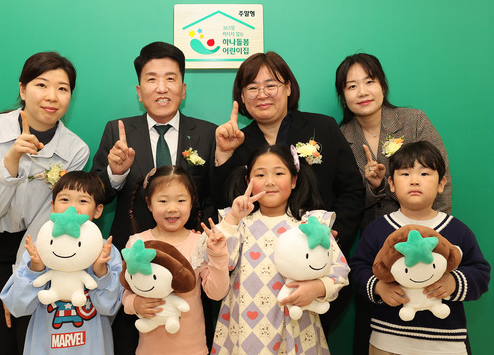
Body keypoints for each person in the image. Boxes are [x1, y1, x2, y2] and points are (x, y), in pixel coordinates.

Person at [91, 42, 218, 353]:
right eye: (151, 79)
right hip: (134, 268)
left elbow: (213, 196)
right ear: (139, 90)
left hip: (189, 269)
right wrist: (116, 172)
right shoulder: (116, 131)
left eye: (171, 78)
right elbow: (98, 196)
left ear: (183, 88)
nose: (162, 88)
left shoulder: (207, 133)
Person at [0, 52, 89, 355]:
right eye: (41, 85)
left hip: (43, 252)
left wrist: (23, 278)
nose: (52, 96)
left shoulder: (76, 150)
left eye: (63, 88)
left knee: (35, 342)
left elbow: (49, 219)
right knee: (2, 341)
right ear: (22, 90)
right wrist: (11, 160)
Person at [214, 51, 364, 253]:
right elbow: (222, 203)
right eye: (252, 88)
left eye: (270, 85)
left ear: (288, 88)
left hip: (318, 251)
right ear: (241, 96)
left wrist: (332, 235)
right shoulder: (236, 141)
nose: (262, 94)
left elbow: (352, 191)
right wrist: (224, 154)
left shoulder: (323, 127)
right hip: (255, 254)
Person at [350, 141, 490, 355]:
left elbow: (481, 272)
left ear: (441, 183)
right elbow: (359, 269)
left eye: (424, 174)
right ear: (392, 183)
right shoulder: (378, 229)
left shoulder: (457, 230)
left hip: (446, 344)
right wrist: (379, 287)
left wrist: (454, 282)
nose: (414, 181)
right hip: (388, 341)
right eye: (405, 174)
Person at [212, 144, 350, 354]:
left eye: (279, 173)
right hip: (243, 327)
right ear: (248, 181)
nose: (270, 181)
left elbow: (339, 272)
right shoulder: (237, 222)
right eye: (260, 174)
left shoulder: (311, 224)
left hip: (297, 325)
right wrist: (232, 219)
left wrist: (317, 288)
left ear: (294, 180)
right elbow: (222, 263)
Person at [1, 171, 123, 355]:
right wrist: (35, 269)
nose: (72, 208)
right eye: (64, 199)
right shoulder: (38, 250)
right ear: (52, 207)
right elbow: (18, 306)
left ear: (98, 210)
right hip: (44, 347)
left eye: (82, 201)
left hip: (92, 347)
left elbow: (109, 306)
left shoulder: (106, 251)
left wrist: (101, 272)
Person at [335, 52, 452, 232]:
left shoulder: (414, 121)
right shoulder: (340, 137)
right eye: (352, 86)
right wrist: (375, 186)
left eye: (369, 82)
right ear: (343, 97)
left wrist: (434, 232)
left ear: (382, 86)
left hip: (425, 231)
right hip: (375, 239)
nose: (362, 92)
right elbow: (347, 201)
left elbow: (441, 179)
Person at [121, 166, 230, 355]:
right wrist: (135, 304)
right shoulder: (137, 242)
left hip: (192, 348)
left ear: (191, 203)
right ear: (149, 204)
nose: (172, 208)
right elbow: (125, 293)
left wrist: (218, 254)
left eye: (181, 200)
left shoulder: (200, 241)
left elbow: (216, 293)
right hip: (149, 349)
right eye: (163, 201)